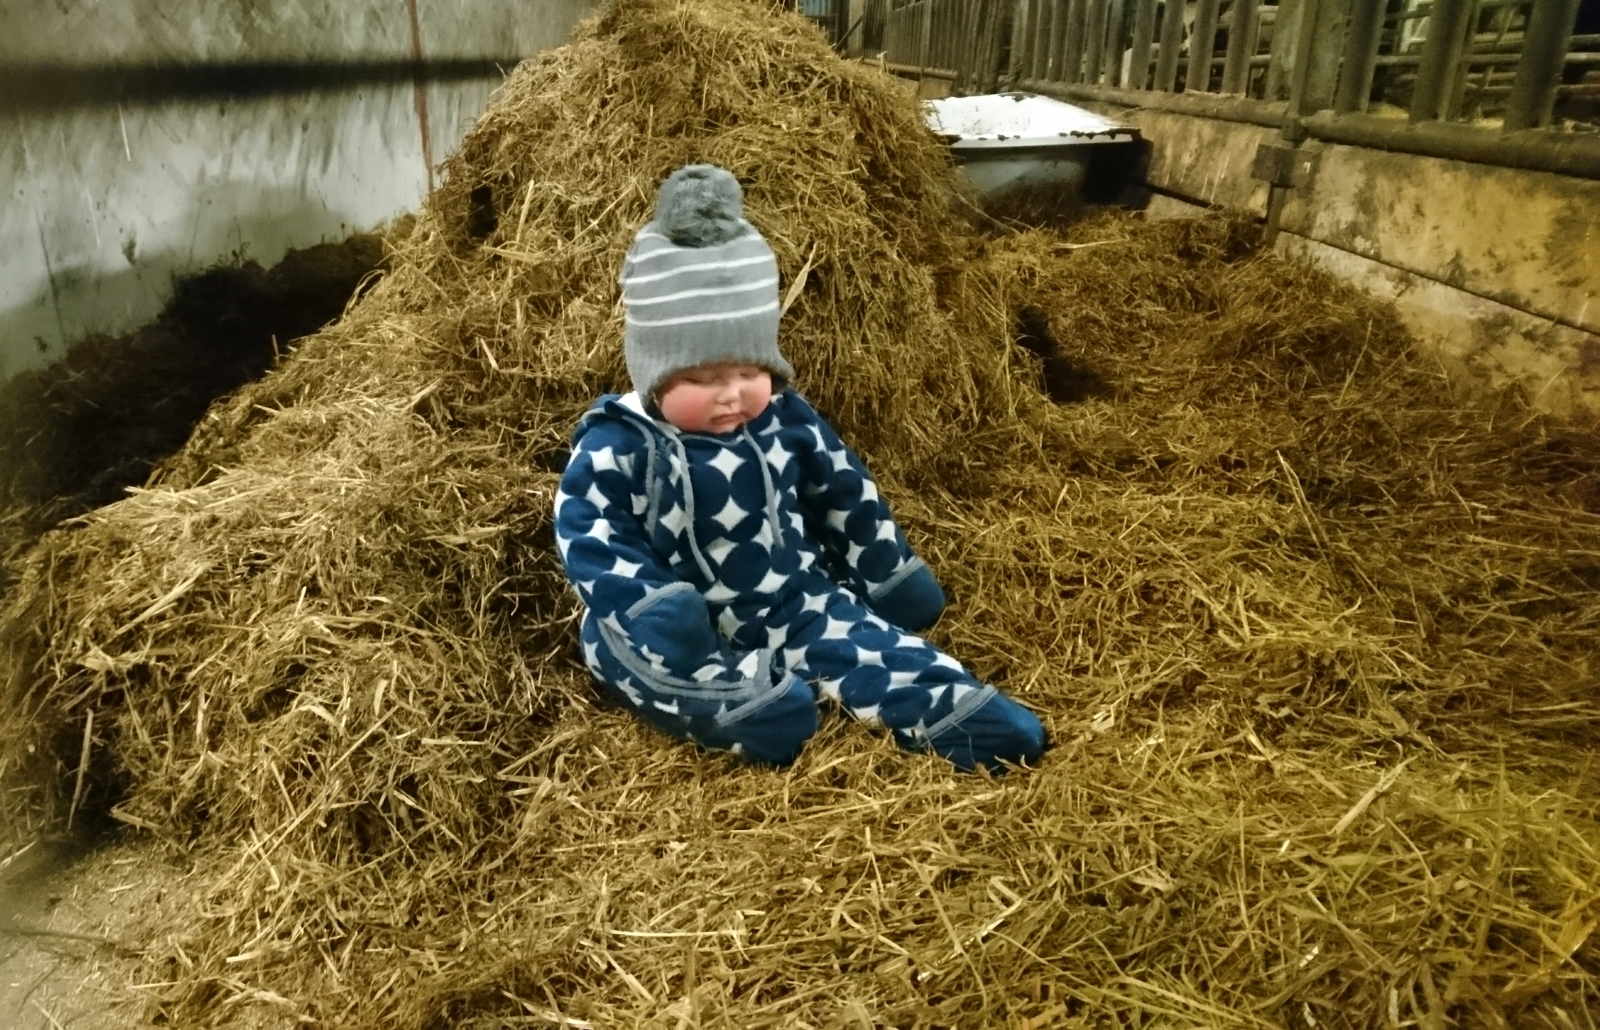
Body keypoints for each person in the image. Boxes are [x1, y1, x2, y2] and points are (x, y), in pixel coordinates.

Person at [552, 164, 1046, 771]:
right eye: (703, 378)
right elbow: (590, 536)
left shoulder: (785, 418)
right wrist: (653, 610)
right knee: (649, 662)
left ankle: (954, 709)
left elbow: (846, 493)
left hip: (788, 600)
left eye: (749, 371)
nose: (732, 394)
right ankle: (733, 706)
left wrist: (887, 571)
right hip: (667, 627)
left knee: (860, 641)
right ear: (653, 371)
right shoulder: (620, 443)